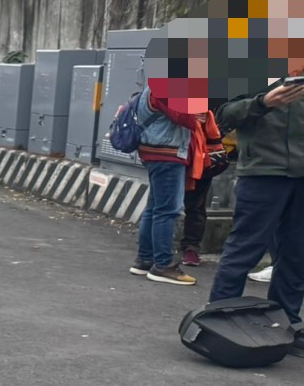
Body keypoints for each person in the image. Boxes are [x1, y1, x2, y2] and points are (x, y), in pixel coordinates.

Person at [209, 77, 304, 346]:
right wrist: (262, 102)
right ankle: (218, 321)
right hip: (262, 173)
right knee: (245, 248)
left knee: (297, 255)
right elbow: (224, 115)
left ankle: (287, 324)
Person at [130, 90, 216, 285]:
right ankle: (163, 265)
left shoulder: (153, 87)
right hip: (167, 155)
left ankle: (144, 260)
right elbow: (188, 119)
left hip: (155, 153)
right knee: (167, 210)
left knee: (154, 208)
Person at [178, 111, 227, 266]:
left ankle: (191, 247)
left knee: (196, 206)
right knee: (162, 206)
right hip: (172, 154)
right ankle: (156, 249)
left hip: (201, 155)